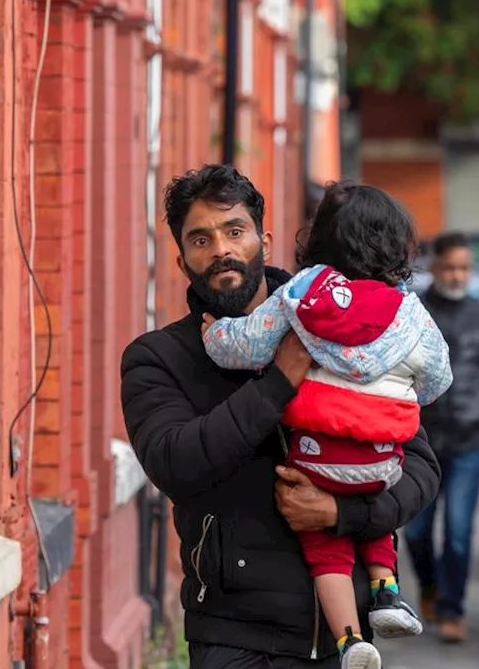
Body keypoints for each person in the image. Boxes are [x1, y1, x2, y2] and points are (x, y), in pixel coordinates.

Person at [120, 164, 442, 669]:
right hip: (237, 637)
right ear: (183, 261)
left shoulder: (334, 321)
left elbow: (420, 466)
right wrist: (280, 378)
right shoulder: (159, 357)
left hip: (343, 635)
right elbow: (175, 462)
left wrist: (343, 515)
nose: (221, 249)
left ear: (263, 239)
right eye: (200, 239)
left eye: (234, 231)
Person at [201, 182, 453, 669]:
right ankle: (387, 593)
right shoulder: (409, 312)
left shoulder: (302, 293)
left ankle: (349, 640)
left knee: (327, 551)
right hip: (380, 460)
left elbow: (247, 346)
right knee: (374, 506)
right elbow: (438, 377)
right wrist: (398, 392)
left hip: (317, 461)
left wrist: (214, 335)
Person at [403, 231, 479, 643]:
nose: (457, 274)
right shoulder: (414, 311)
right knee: (415, 532)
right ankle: (430, 588)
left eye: (464, 267)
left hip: (468, 441)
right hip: (420, 440)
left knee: (459, 532)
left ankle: (452, 610)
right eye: (450, 266)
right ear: (434, 267)